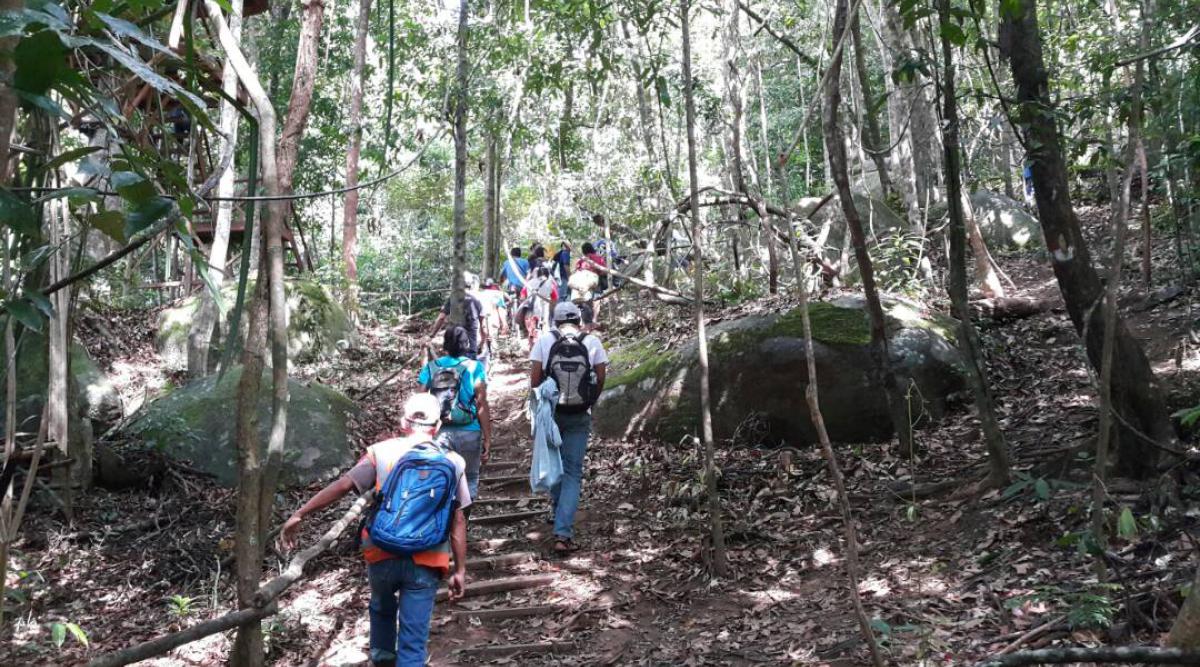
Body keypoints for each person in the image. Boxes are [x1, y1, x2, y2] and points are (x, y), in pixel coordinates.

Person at [280, 393, 470, 667]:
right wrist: (460, 570)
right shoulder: (453, 462)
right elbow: (458, 521)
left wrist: (300, 513)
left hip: (381, 551)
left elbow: (343, 485)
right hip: (428, 558)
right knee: (413, 641)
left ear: (404, 423)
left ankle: (381, 658)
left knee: (381, 608)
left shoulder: (380, 452)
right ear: (437, 426)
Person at [529, 302, 608, 555]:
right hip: (579, 413)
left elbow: (534, 378)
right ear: (579, 320)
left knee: (554, 462)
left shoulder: (544, 341)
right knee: (573, 471)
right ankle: (563, 533)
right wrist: (590, 400)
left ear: (555, 320)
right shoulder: (592, 342)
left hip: (552, 413)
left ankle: (557, 510)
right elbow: (601, 375)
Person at [419, 326, 490, 500]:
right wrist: (488, 437)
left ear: (445, 345)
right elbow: (482, 403)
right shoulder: (475, 367)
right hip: (470, 430)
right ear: (466, 345)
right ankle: (463, 522)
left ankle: (446, 521)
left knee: (441, 478)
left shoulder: (432, 367)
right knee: (471, 478)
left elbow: (420, 400)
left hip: (440, 431)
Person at [428, 289, 487, 363]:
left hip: (453, 349)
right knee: (471, 370)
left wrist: (432, 335)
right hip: (470, 348)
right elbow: (483, 327)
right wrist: (482, 343)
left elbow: (441, 318)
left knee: (452, 369)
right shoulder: (477, 301)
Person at [521, 267, 558, 349]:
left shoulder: (529, 283)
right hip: (544, 311)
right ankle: (544, 348)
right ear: (548, 275)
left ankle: (532, 348)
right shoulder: (550, 284)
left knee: (531, 329)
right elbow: (555, 299)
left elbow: (522, 297)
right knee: (544, 328)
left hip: (531, 309)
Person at [501, 248, 529, 335]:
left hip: (512, 287)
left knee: (508, 302)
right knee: (524, 305)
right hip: (523, 287)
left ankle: (509, 322)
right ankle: (523, 326)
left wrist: (499, 285)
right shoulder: (525, 262)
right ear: (520, 254)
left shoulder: (507, 262)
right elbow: (529, 274)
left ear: (511, 255)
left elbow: (502, 276)